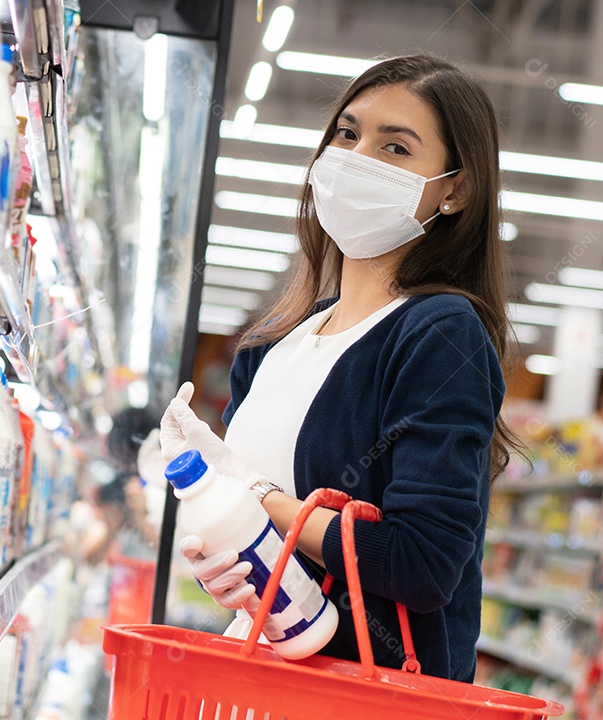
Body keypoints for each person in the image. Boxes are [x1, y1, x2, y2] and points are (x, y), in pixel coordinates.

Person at [161, 54, 516, 683]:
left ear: (455, 188)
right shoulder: (274, 345)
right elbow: (279, 551)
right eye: (347, 134)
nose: (357, 159)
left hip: (365, 692)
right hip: (266, 674)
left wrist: (258, 500)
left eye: (397, 147)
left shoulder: (438, 334)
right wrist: (228, 552)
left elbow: (422, 563)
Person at [80, 408, 160, 564]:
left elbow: (173, 555)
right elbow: (90, 557)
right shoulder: (120, 490)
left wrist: (140, 516)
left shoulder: (158, 491)